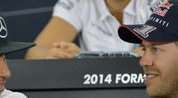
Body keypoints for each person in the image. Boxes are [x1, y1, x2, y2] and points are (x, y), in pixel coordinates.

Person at [25, 0, 156, 59]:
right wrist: (64, 55)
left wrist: (84, 58)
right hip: (93, 91)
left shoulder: (158, 2)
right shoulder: (78, 2)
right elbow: (35, 53)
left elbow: (170, 52)